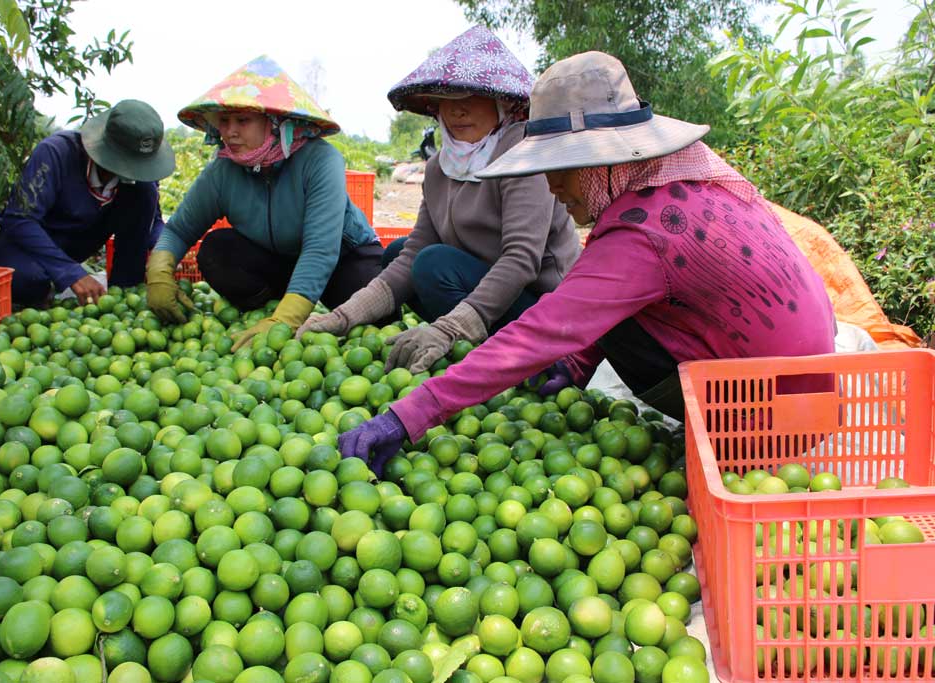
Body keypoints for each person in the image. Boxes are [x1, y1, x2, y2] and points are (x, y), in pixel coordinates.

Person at [338, 51, 837, 474]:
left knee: (587, 305)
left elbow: (545, 330)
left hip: (768, 425)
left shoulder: (648, 229)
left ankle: (734, 455)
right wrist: (577, 365)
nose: (552, 187)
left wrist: (406, 416)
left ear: (605, 161)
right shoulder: (686, 182)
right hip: (810, 392)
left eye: (561, 169)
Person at [300, 26, 580, 373]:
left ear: (502, 104)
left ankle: (522, 364)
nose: (457, 112)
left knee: (434, 265)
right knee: (398, 253)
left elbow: (521, 259)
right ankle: (465, 352)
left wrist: (450, 328)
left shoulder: (523, 155)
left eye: (471, 99)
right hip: (482, 289)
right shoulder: (440, 168)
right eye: (448, 101)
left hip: (545, 310)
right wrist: (342, 318)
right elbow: (413, 253)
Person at [145, 55, 380, 347]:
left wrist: (285, 321)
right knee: (217, 250)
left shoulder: (320, 160)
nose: (230, 131)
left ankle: (293, 307)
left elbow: (321, 249)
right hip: (278, 261)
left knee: (376, 308)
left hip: (344, 257)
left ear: (274, 123)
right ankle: (271, 309)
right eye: (225, 121)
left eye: (243, 120)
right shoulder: (224, 170)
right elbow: (180, 229)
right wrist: (158, 273)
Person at [0, 100, 175, 307]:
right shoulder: (56, 154)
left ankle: (125, 291)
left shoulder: (140, 179)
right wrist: (69, 272)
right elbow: (20, 219)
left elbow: (154, 221)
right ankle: (38, 296)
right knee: (27, 280)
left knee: (145, 192)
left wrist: (162, 249)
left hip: (78, 245)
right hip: (32, 245)